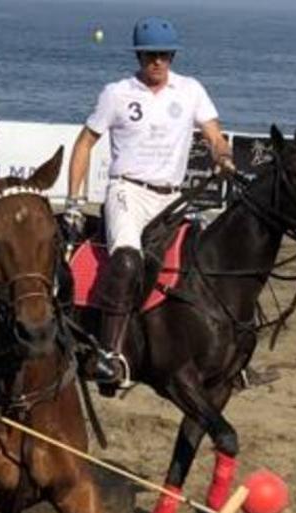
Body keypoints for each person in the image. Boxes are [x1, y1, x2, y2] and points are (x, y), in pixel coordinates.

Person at [65, 16, 234, 390]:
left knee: (207, 260)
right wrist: (74, 201)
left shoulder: (190, 90)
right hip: (128, 192)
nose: (156, 62)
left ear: (172, 55)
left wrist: (222, 155)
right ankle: (107, 355)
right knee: (127, 260)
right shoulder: (116, 93)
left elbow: (214, 135)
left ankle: (226, 353)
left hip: (171, 198)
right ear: (139, 57)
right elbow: (84, 144)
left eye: (163, 55)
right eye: (148, 55)